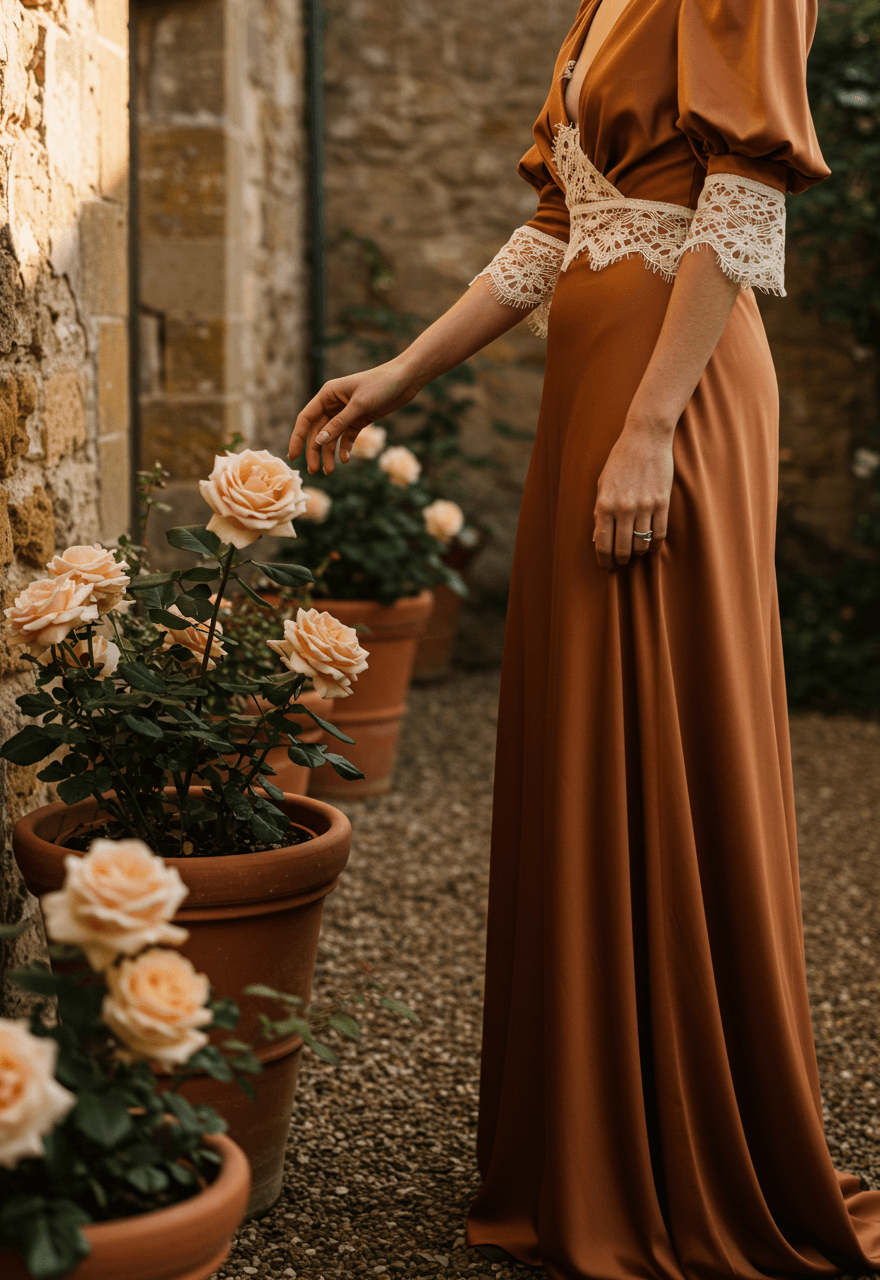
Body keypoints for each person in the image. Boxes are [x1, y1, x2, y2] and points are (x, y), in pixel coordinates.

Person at [288, 0, 880, 1274]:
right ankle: (595, 1126)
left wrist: (654, 425)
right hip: (594, 392)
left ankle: (684, 1142)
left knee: (670, 727)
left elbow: (739, 200)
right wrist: (395, 372)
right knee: (582, 738)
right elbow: (554, 233)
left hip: (673, 391)